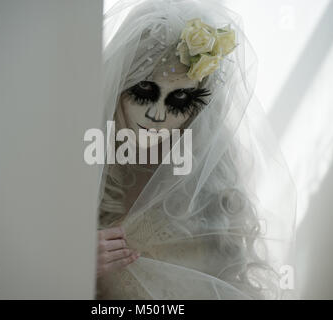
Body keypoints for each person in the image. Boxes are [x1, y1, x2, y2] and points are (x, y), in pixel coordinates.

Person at [94, 0, 296, 299]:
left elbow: (228, 273)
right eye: (144, 91)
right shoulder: (88, 163)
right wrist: (74, 262)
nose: (157, 115)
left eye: (179, 99)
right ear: (120, 83)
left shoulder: (211, 176)